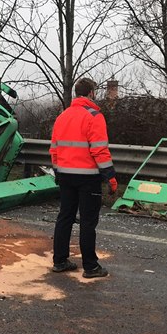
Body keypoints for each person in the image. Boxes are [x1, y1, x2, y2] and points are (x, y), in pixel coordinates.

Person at [49, 78, 117, 278]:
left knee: (65, 217)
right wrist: (111, 178)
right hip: (88, 178)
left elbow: (54, 150)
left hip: (65, 175)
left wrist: (57, 172)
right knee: (88, 222)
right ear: (91, 93)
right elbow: (100, 151)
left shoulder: (62, 116)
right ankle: (90, 266)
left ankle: (60, 261)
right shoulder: (94, 116)